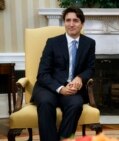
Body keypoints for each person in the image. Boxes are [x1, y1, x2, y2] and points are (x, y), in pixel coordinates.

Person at [31, 7, 96, 141]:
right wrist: (60, 89)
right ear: (64, 22)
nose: (71, 24)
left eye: (75, 20)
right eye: (68, 20)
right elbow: (42, 74)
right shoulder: (52, 42)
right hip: (49, 87)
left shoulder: (89, 43)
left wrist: (80, 78)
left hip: (72, 88)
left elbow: (90, 68)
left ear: (82, 23)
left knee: (76, 104)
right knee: (45, 102)